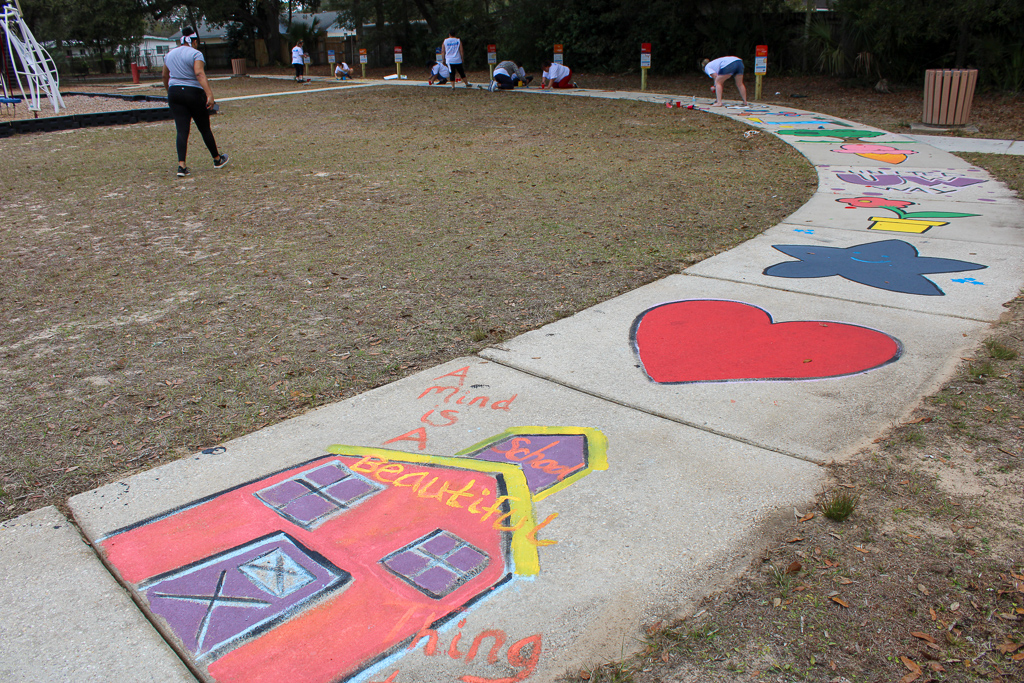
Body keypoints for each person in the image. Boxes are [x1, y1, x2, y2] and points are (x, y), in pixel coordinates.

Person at [162, 27, 229, 178]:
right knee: (204, 127)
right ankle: (217, 159)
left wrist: (170, 91)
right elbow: (199, 73)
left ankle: (181, 165)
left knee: (182, 129)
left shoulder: (169, 54)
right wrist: (209, 94)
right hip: (193, 92)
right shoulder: (196, 54)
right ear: (193, 41)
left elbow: (165, 76)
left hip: (174, 92)